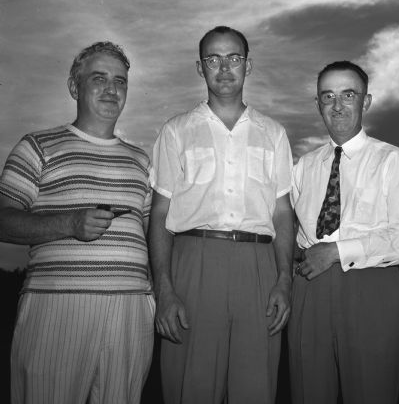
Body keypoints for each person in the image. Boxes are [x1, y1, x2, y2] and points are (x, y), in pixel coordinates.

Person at [0, 42, 154, 404]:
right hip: (56, 308)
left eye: (120, 81)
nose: (111, 89)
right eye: (98, 78)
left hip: (131, 311)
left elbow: (152, 235)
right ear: (74, 87)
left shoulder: (141, 160)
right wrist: (70, 223)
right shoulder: (38, 146)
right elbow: (4, 220)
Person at [149, 25, 294, 404]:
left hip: (259, 267)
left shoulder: (273, 133)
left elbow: (282, 214)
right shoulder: (176, 131)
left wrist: (284, 280)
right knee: (190, 385)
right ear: (200, 68)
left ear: (249, 66)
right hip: (194, 263)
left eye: (234, 58)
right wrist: (164, 289)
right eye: (213, 58)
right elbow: (160, 212)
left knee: (256, 387)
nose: (224, 67)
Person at [289, 60, 399, 404]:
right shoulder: (304, 166)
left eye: (348, 95)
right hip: (310, 288)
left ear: (366, 102)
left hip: (371, 286)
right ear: (317, 104)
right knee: (309, 391)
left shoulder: (391, 160)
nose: (337, 106)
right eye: (327, 96)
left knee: (371, 391)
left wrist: (336, 252)